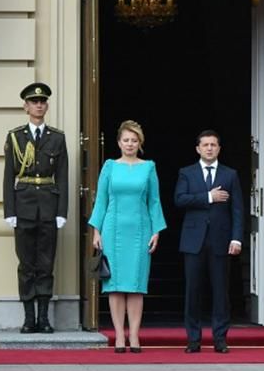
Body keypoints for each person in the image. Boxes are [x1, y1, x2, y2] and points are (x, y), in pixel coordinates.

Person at [89, 121, 166, 354]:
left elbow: (154, 201)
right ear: (119, 142)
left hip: (140, 230)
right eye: (126, 140)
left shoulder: (148, 167)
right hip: (112, 230)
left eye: (134, 140)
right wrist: (96, 230)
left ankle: (134, 335)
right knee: (114, 285)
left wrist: (156, 231)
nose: (130, 144)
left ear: (139, 143)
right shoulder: (110, 166)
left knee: (135, 285)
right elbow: (101, 199)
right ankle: (119, 336)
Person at [3, 82, 69, 334]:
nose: (38, 105)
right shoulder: (15, 136)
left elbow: (62, 176)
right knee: (26, 263)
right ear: (26, 106)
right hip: (24, 206)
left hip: (49, 207)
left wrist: (62, 211)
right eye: (34, 102)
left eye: (42, 102)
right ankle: (28, 318)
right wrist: (9, 211)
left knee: (46, 262)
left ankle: (44, 318)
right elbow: (8, 175)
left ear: (47, 106)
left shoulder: (57, 137)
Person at [174, 130, 243, 354]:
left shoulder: (230, 174)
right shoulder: (187, 173)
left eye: (214, 145)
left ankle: (220, 338)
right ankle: (193, 339)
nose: (210, 148)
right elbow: (179, 199)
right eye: (205, 145)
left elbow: (237, 210)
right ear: (198, 149)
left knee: (220, 292)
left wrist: (237, 238)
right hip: (193, 241)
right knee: (193, 292)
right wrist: (208, 197)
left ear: (219, 148)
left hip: (221, 241)